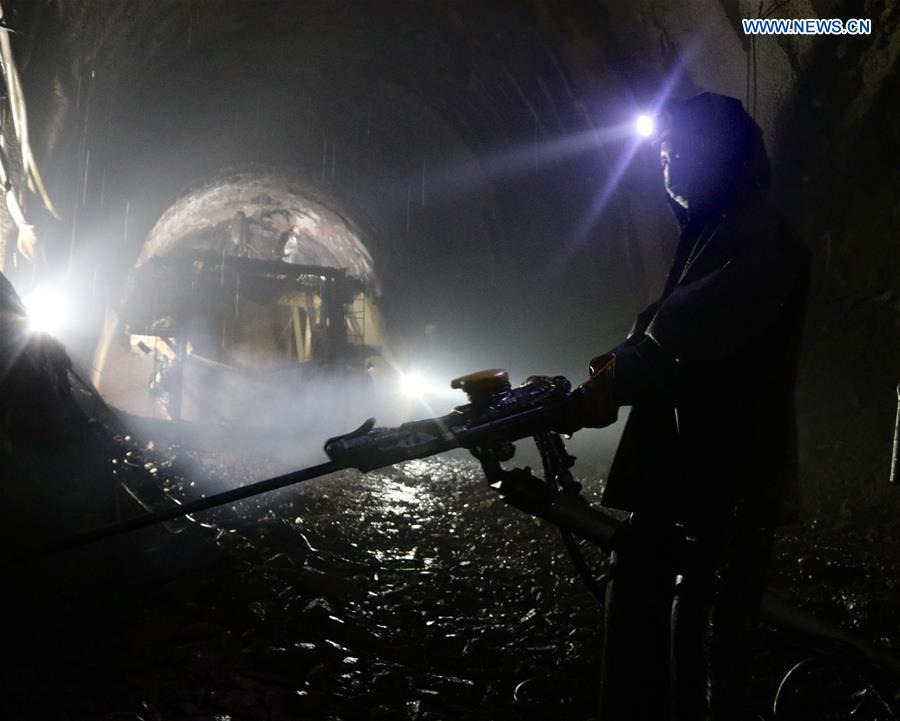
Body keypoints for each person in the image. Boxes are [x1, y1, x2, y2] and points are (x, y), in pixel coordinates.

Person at [561, 93, 810, 720]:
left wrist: (619, 378)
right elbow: (664, 332)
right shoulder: (710, 236)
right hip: (681, 485)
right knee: (650, 643)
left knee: (696, 658)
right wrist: (609, 370)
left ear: (714, 153)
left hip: (719, 490)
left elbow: (696, 330)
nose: (662, 159)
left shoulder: (763, 238)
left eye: (672, 146)